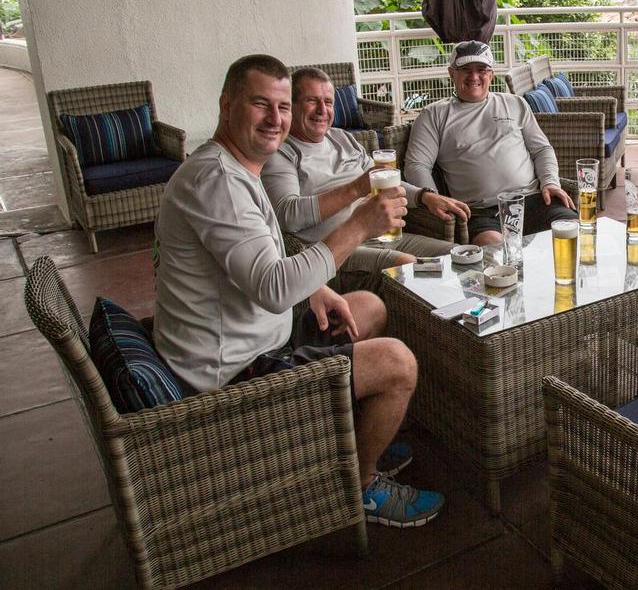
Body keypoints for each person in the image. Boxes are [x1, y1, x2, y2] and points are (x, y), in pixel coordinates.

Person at [154, 54, 444, 527]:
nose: (276, 119)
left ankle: (345, 444)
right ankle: (362, 484)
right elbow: (271, 288)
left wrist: (313, 291)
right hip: (231, 372)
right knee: (397, 363)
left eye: (282, 106)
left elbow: (259, 266)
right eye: (260, 104)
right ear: (227, 104)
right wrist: (359, 226)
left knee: (366, 306)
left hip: (249, 332)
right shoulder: (218, 181)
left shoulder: (233, 167)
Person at [261, 67, 470, 283]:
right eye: (312, 101)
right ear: (291, 106)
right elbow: (288, 216)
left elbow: (383, 177)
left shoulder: (342, 138)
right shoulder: (281, 153)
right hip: (336, 250)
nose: (322, 110)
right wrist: (357, 188)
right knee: (410, 267)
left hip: (383, 237)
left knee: (462, 256)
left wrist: (424, 196)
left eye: (329, 102)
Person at [404, 40, 576, 246]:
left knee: (574, 233)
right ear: (452, 73)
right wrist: (432, 197)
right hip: (480, 213)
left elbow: (541, 149)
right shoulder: (434, 115)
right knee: (494, 254)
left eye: (481, 70)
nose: (474, 76)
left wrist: (550, 182)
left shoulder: (515, 104)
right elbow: (417, 165)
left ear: (491, 75)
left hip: (533, 200)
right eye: (465, 69)